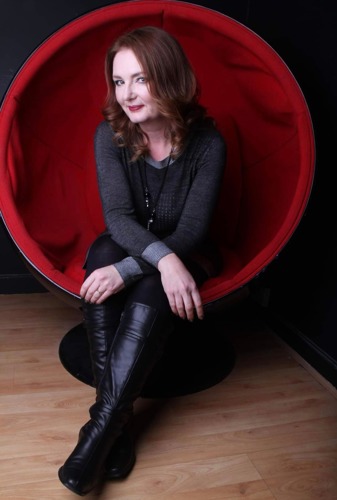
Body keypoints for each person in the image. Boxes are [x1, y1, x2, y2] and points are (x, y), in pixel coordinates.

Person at [58, 26, 226, 496]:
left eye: (140, 79)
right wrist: (151, 260)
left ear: (169, 78)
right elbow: (118, 218)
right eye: (118, 81)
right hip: (134, 245)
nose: (126, 94)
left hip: (189, 255)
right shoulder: (108, 135)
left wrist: (162, 264)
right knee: (105, 251)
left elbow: (190, 232)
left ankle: (98, 431)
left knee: (146, 280)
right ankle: (115, 425)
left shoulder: (208, 145)